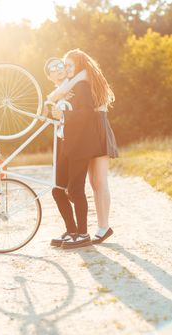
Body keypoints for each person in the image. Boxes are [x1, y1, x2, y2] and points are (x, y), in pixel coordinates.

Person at [50, 49, 119, 246]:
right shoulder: (78, 80)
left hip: (97, 129)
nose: (67, 69)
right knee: (94, 182)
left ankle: (103, 227)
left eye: (70, 65)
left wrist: (64, 113)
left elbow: (85, 110)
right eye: (66, 65)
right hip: (90, 130)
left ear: (79, 65)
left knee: (99, 181)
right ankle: (97, 228)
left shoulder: (83, 79)